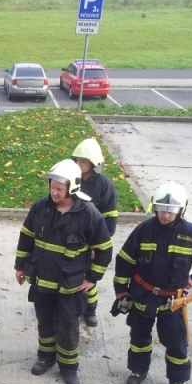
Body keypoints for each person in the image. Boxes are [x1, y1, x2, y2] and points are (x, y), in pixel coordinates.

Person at [114, 182, 192, 384]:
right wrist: (121, 292)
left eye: (171, 210)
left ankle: (177, 381)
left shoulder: (191, 234)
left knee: (176, 342)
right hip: (143, 296)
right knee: (139, 337)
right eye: (162, 209)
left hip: (173, 301)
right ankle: (138, 371)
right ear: (154, 207)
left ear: (181, 209)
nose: (165, 214)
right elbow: (124, 260)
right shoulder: (143, 230)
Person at [15, 159, 113, 384]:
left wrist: (92, 279)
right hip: (42, 280)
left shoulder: (89, 214)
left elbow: (104, 249)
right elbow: (26, 236)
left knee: (68, 327)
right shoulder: (40, 207)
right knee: (45, 322)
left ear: (73, 187)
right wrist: (20, 266)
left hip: (70, 285)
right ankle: (45, 357)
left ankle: (69, 368)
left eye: (59, 188)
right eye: (52, 187)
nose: (54, 192)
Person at [74, 138, 118, 327]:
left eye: (83, 160)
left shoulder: (105, 186)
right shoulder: (72, 180)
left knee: (88, 279)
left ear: (93, 163)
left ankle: (89, 310)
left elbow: (109, 221)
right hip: (72, 240)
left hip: (92, 242)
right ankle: (69, 307)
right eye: (77, 159)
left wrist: (96, 247)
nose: (79, 163)